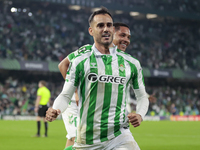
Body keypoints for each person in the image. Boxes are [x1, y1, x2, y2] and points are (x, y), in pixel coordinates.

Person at [46, 7, 149, 150]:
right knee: (72, 138)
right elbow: (64, 94)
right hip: (88, 138)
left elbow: (142, 96)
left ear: (113, 30)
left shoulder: (132, 63)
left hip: (119, 135)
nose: (106, 29)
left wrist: (140, 114)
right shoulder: (80, 60)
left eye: (109, 25)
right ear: (91, 31)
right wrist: (56, 109)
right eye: (100, 25)